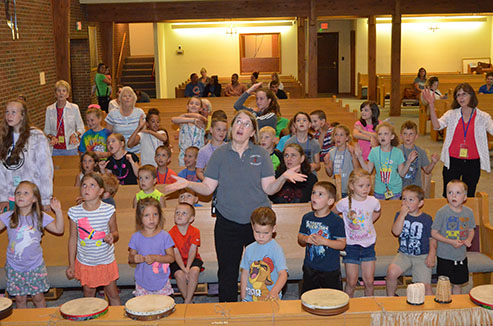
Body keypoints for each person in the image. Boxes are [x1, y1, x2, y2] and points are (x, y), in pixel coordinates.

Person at [163, 110, 306, 302]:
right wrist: (187, 183)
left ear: (253, 132)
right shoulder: (219, 154)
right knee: (227, 274)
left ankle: (259, 312)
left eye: (247, 124)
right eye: (238, 122)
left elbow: (270, 189)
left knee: (261, 271)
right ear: (232, 127)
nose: (241, 127)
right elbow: (207, 188)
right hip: (227, 223)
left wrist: (283, 177)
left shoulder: (261, 154)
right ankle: (228, 314)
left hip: (256, 225)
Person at [0, 181, 63, 308]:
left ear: (34, 199)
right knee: (19, 299)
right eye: (18, 193)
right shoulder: (8, 216)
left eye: (25, 193)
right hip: (14, 267)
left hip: (35, 266)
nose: (20, 196)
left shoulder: (39, 216)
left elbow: (59, 230)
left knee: (38, 297)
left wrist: (58, 212)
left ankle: (42, 320)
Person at [423, 83, 493, 197]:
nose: (461, 98)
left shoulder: (483, 117)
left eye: (464, 94)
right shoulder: (452, 114)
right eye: (458, 95)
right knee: (449, 194)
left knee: (469, 195)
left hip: (472, 161)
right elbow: (437, 126)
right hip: (453, 160)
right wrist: (431, 105)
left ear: (471, 96)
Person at [66, 172, 120, 305]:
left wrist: (111, 236)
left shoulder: (108, 210)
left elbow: (115, 232)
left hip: (105, 261)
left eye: (92, 185)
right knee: (89, 296)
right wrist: (71, 264)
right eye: (84, 185)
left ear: (101, 191)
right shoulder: (75, 212)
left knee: (112, 293)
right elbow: (73, 239)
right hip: (86, 262)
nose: (86, 188)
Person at [334, 169, 381, 297]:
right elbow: (333, 213)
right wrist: (341, 228)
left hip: (368, 245)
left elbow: (377, 211)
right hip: (351, 246)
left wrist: (370, 221)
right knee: (351, 281)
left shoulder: (373, 201)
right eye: (361, 186)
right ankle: (346, 307)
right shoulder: (344, 203)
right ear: (351, 186)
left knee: (369, 281)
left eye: (368, 185)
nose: (365, 189)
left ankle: (369, 307)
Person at [0, 99, 53, 212]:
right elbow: (0, 171)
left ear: (23, 115)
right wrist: (2, 197)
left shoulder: (36, 136)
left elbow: (46, 169)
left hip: (31, 197)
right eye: (7, 112)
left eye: (14, 112)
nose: (9, 115)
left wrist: (45, 199)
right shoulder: (3, 137)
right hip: (11, 197)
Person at [386, 185, 436, 296]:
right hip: (404, 254)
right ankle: (390, 298)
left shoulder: (426, 219)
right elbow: (396, 232)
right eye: (404, 199)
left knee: (425, 286)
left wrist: (431, 255)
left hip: (422, 256)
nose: (406, 203)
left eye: (411, 200)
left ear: (420, 203)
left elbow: (432, 239)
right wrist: (402, 215)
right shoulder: (399, 215)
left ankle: (432, 308)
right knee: (391, 272)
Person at [298, 181, 345, 294]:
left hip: (330, 268)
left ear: (330, 201)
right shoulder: (307, 217)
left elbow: (342, 244)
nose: (314, 196)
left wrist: (324, 241)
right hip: (310, 266)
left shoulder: (336, 221)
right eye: (313, 193)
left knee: (333, 298)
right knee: (308, 296)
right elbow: (300, 237)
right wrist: (306, 239)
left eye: (320, 194)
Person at [431, 180, 475, 294]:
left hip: (460, 256)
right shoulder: (442, 212)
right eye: (450, 192)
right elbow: (434, 233)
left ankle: (456, 307)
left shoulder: (469, 212)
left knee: (458, 284)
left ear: (465, 197)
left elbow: (471, 229)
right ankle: (444, 307)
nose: (453, 196)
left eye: (458, 193)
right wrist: (450, 242)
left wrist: (469, 239)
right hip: (445, 255)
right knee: (444, 285)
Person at [129, 197, 175, 296]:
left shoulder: (165, 236)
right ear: (139, 218)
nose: (152, 218)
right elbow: (131, 258)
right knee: (144, 308)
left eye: (155, 214)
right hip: (142, 281)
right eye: (146, 215)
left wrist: (155, 258)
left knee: (163, 307)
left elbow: (171, 258)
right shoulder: (135, 237)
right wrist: (135, 258)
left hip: (161, 280)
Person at [240, 207, 288, 302]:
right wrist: (243, 296)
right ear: (253, 227)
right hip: (250, 298)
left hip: (269, 298)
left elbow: (283, 274)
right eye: (257, 232)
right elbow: (245, 273)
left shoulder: (276, 249)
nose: (261, 236)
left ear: (274, 229)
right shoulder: (249, 249)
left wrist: (274, 292)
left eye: (266, 233)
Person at [356, 122, 414, 200]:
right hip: (379, 189)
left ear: (392, 136)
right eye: (380, 134)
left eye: (386, 134)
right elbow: (368, 171)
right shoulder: (374, 151)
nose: (382, 136)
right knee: (380, 210)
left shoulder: (398, 152)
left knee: (393, 209)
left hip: (395, 189)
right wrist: (359, 157)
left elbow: (402, 173)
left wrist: (409, 161)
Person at [169, 202, 204, 303]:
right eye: (177, 213)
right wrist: (184, 269)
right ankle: (188, 299)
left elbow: (193, 251)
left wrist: (188, 267)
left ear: (191, 219)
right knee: (179, 275)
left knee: (194, 271)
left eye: (184, 213)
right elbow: (175, 253)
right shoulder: (171, 233)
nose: (179, 215)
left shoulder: (195, 231)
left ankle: (187, 300)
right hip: (177, 260)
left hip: (192, 259)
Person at [44, 80, 85, 156]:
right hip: (55, 148)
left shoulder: (74, 108)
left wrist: (74, 135)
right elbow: (46, 130)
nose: (61, 93)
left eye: (64, 91)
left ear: (67, 94)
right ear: (55, 94)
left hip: (70, 147)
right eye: (58, 91)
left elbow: (81, 128)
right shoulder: (49, 109)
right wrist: (52, 137)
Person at [105, 86, 146, 153]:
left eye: (130, 96)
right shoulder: (113, 113)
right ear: (120, 99)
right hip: (118, 151)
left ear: (134, 99)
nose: (127, 98)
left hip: (137, 150)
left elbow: (143, 132)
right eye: (124, 96)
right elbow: (108, 134)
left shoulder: (140, 113)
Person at [399, 120, 439, 188]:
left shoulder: (420, 152)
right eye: (405, 133)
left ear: (416, 136)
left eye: (411, 134)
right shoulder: (397, 151)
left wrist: (433, 162)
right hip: (399, 188)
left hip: (415, 188)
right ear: (401, 136)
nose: (408, 136)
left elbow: (427, 171)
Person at [325, 124, 359, 198]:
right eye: (336, 135)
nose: (338, 137)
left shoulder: (350, 150)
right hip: (337, 187)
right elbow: (330, 173)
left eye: (341, 135)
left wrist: (353, 155)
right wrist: (327, 164)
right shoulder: (331, 152)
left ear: (347, 138)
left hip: (350, 188)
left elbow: (357, 169)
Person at [172, 97, 206, 166]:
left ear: (201, 108)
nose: (193, 105)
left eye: (197, 104)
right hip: (184, 155)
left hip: (198, 155)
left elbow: (199, 117)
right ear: (187, 106)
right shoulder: (183, 119)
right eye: (191, 103)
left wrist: (186, 115)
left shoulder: (201, 119)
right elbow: (173, 120)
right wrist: (191, 120)